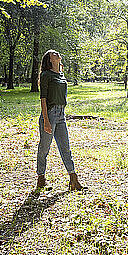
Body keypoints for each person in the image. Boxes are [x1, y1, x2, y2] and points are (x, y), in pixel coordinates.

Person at [36, 49, 84, 191]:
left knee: (65, 148)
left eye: (56, 52)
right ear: (50, 59)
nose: (56, 53)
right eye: (53, 53)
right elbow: (43, 99)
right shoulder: (46, 75)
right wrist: (46, 120)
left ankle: (73, 180)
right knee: (44, 148)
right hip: (50, 114)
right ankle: (41, 178)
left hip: (61, 114)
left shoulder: (61, 75)